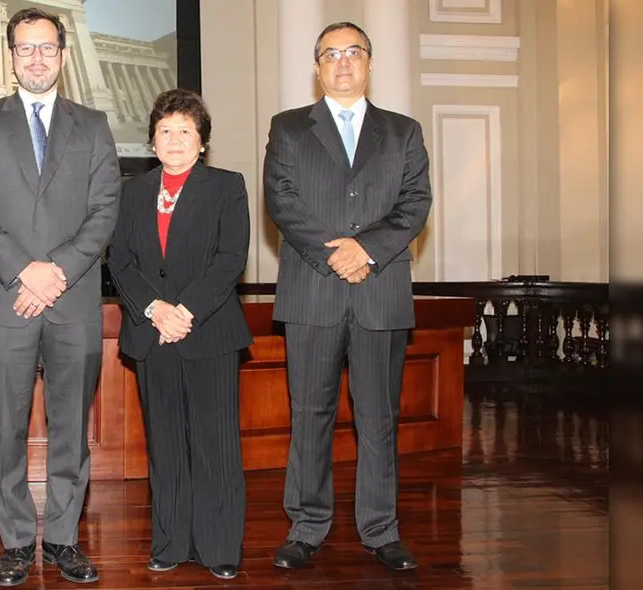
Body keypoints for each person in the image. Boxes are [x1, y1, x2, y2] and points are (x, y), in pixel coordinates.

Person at [0, 7, 121, 587]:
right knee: (6, 430)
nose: (37, 57)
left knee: (72, 429)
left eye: (47, 47)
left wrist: (58, 273)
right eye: (25, 49)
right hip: (4, 301)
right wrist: (25, 272)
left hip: (73, 302)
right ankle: (19, 542)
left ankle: (66, 539)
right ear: (12, 56)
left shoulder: (94, 125)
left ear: (64, 55)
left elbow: (104, 211)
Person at [263, 22, 433, 572]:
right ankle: (306, 527)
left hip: (381, 292)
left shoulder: (403, 131)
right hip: (312, 290)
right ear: (317, 67)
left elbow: (415, 202)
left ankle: (381, 530)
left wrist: (368, 251)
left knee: (378, 416)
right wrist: (334, 254)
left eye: (352, 52)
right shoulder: (288, 128)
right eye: (329, 54)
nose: (341, 62)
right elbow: (281, 200)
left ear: (368, 62)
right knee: (309, 413)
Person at [106, 88, 252, 581]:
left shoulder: (227, 186)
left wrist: (183, 311)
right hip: (152, 335)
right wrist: (155, 310)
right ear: (151, 141)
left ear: (202, 141)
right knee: (165, 445)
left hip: (207, 331)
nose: (174, 139)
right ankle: (169, 541)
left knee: (215, 445)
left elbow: (230, 259)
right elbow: (120, 260)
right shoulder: (131, 192)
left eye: (185, 131)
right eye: (165, 130)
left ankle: (219, 546)